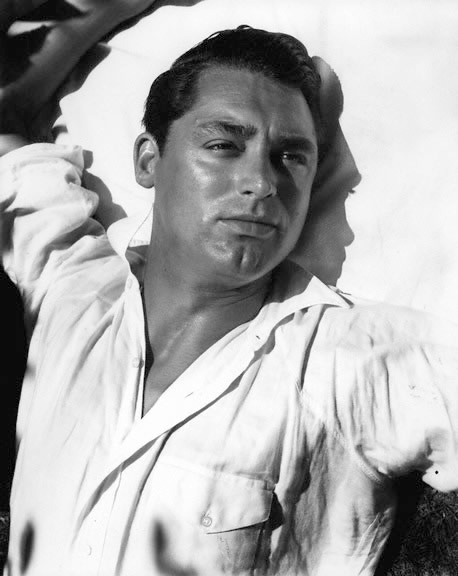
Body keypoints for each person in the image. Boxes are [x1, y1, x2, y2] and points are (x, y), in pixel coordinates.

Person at [1, 2, 457, 575]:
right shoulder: (72, 289)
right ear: (148, 160)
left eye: (291, 157)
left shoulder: (354, 360)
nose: (262, 182)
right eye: (223, 145)